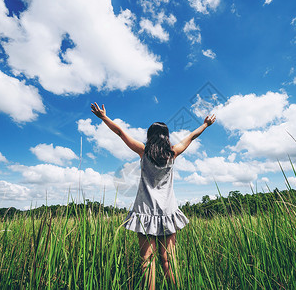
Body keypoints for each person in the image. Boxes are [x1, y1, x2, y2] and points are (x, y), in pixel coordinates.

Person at [91, 102, 216, 290]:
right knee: (169, 260)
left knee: (147, 261)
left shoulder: (143, 151)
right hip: (167, 211)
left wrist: (103, 118)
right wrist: (205, 124)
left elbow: (120, 133)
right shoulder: (173, 153)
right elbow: (192, 135)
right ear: (166, 137)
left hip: (145, 211)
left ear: (150, 136)